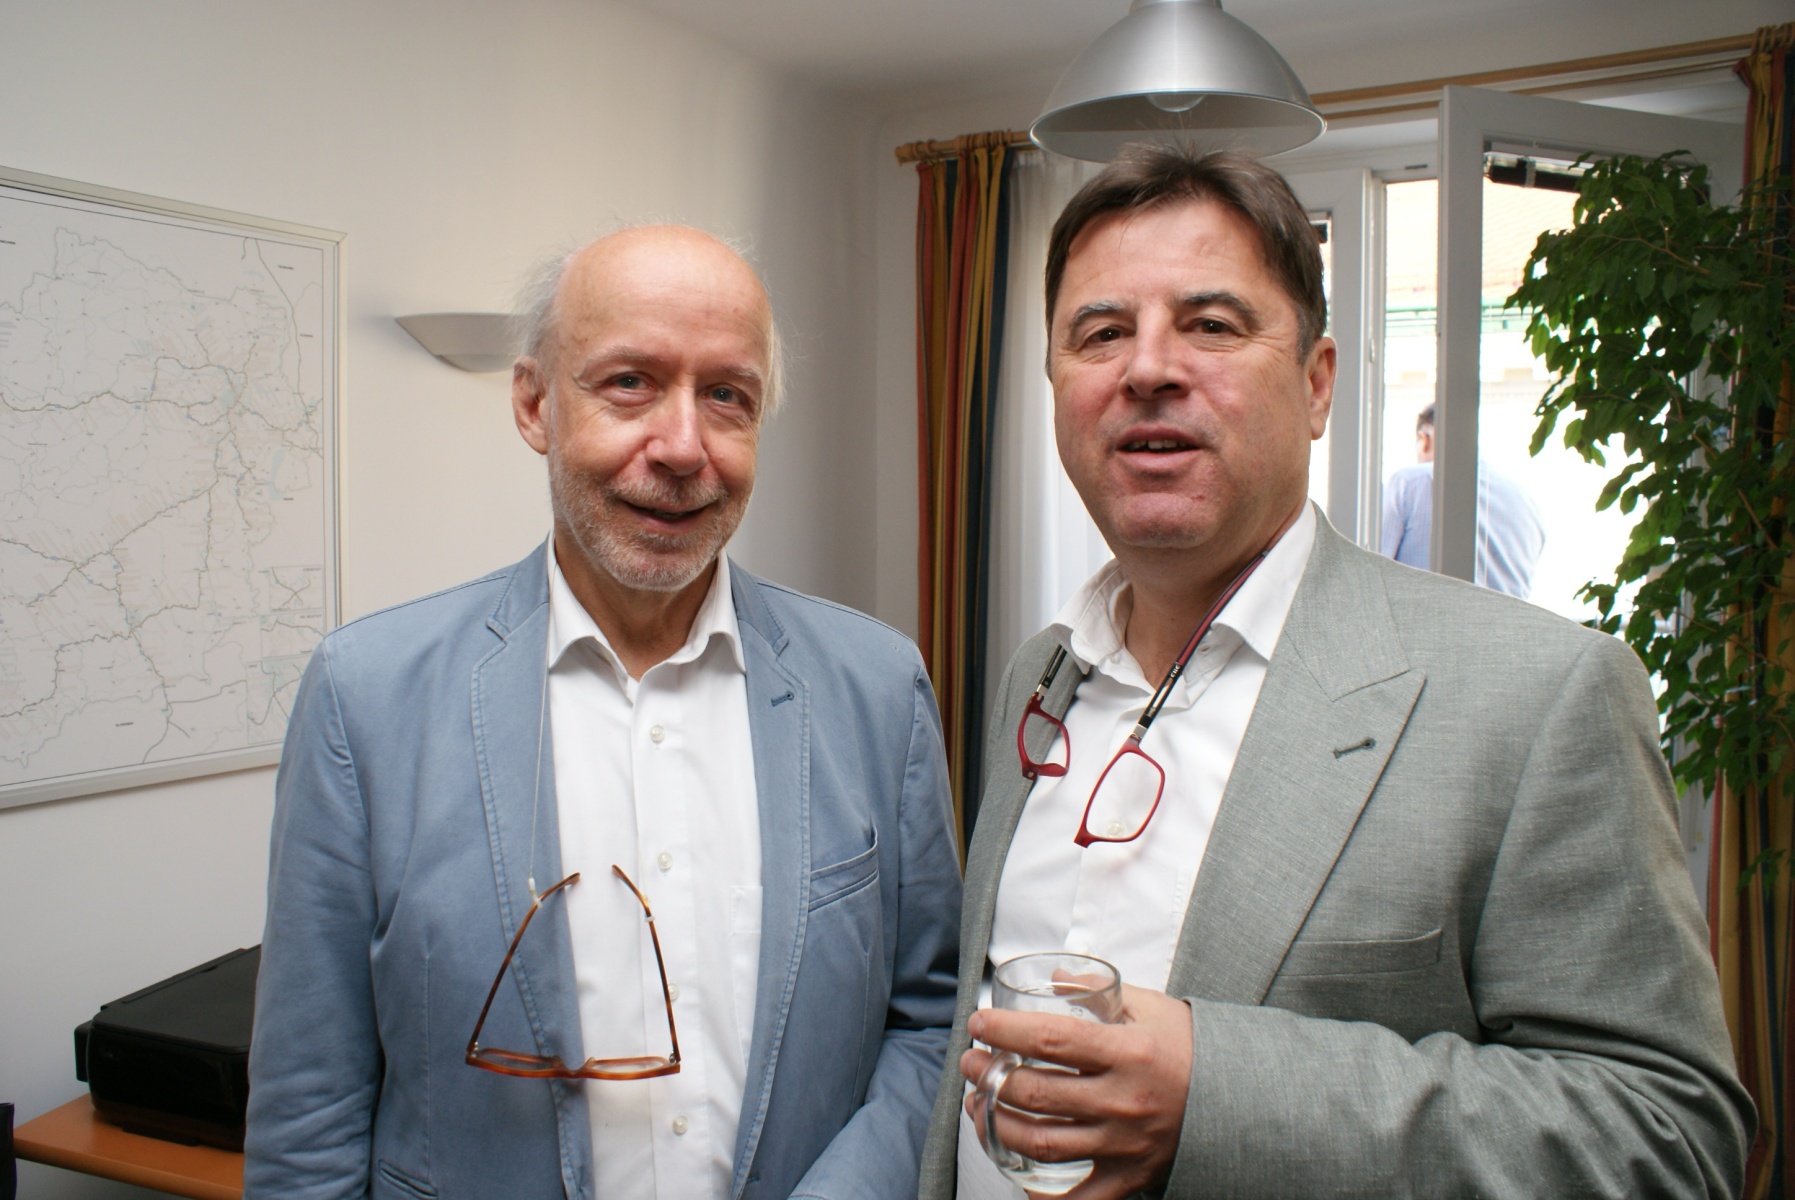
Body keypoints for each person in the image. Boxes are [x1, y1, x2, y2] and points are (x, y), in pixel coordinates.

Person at [917, 147, 1750, 1199]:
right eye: (1101, 333)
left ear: (1316, 384)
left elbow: (1667, 1138)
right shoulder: (1040, 674)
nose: (1147, 368)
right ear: (1055, 388)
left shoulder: (1541, 698)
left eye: (1211, 325)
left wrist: (1216, 1096)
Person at [246, 226, 962, 1199]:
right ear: (534, 404)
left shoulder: (876, 687)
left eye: (727, 395)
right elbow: (309, 1105)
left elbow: (929, 1023)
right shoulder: (364, 694)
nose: (682, 447)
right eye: (629, 382)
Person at [1381, 403, 1546, 598]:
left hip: (1426, 616)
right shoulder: (1524, 500)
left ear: (1424, 439)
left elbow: (1372, 570)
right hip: (1509, 618)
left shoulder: (1409, 482)